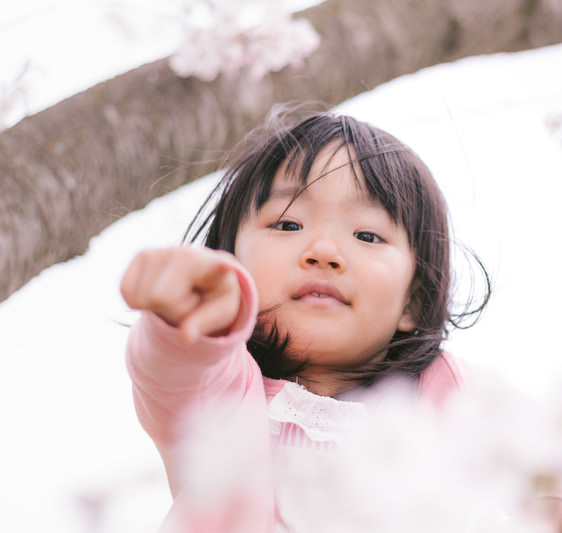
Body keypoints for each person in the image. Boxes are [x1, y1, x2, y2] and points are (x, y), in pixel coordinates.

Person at [122, 111, 490, 532]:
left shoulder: (446, 397)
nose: (324, 251)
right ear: (230, 262)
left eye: (367, 236)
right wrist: (188, 312)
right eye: (288, 224)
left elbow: (536, 469)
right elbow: (178, 368)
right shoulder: (222, 399)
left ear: (414, 302)